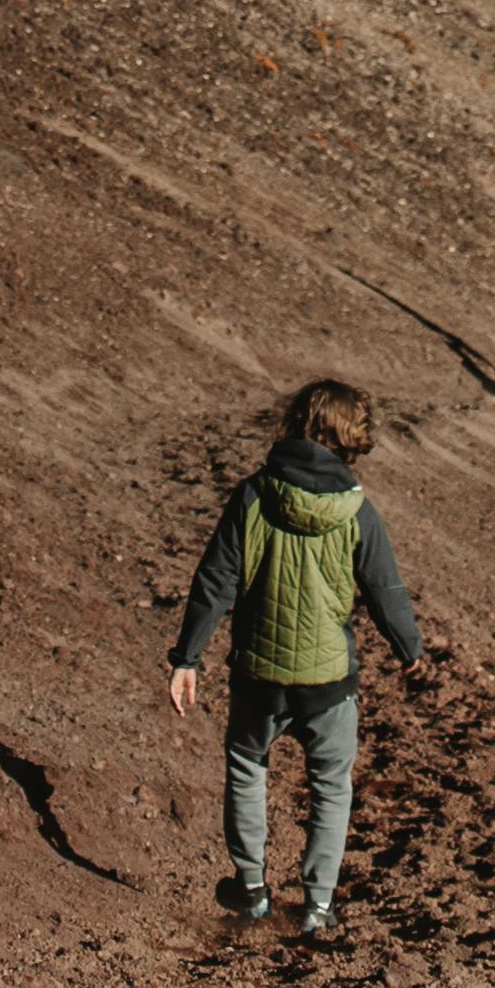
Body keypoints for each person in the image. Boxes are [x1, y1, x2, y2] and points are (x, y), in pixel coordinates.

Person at [166, 375, 423, 942]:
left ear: (295, 425)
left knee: (246, 765)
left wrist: (188, 658)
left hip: (258, 671)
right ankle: (318, 905)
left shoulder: (254, 496)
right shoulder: (358, 512)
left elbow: (216, 581)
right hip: (329, 682)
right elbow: (386, 591)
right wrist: (411, 651)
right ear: (351, 438)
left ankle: (252, 889)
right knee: (331, 785)